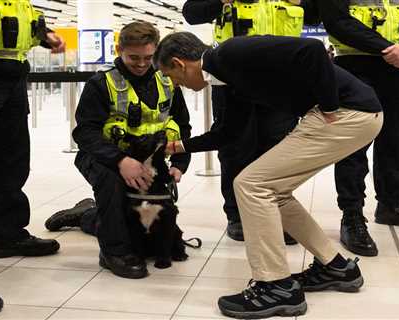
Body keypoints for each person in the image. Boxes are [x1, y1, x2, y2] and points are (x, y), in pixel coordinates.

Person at [154, 32, 383, 319]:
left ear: (179, 63)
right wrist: (178, 146)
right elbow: (229, 133)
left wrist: (329, 105)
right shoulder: (225, 78)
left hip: (347, 113)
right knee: (272, 191)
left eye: (171, 76)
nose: (176, 85)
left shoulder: (229, 54)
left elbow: (311, 49)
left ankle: (275, 285)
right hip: (357, 114)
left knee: (250, 184)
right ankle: (336, 267)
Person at [298, 0, 399, 257]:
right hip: (355, 65)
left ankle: (391, 205)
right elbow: (337, 20)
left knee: (394, 140)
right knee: (353, 146)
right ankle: (352, 216)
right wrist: (387, 48)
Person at [71, 22, 192, 279]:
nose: (141, 64)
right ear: (119, 49)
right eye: (133, 57)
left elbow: (182, 126)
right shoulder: (101, 84)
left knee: (146, 213)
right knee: (113, 187)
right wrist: (120, 161)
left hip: (151, 159)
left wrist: (179, 164)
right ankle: (114, 252)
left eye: (148, 57)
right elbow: (85, 133)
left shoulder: (167, 81)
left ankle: (87, 215)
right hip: (105, 157)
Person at [181, 0, 304, 244]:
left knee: (279, 151)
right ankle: (237, 216)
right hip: (231, 77)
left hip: (282, 77)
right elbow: (191, 13)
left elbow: (319, 13)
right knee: (235, 148)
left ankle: (278, 214)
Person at [0, 1, 65, 317]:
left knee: (11, 162)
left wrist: (44, 34)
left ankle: (6, 235)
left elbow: (20, 22)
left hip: (11, 77)